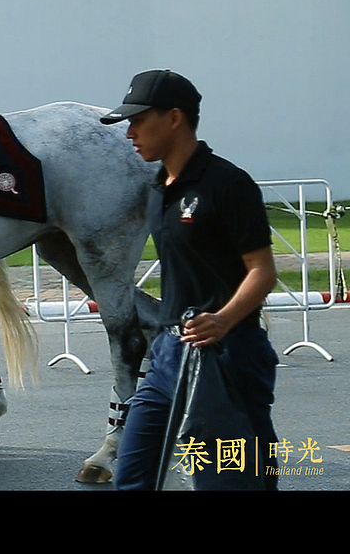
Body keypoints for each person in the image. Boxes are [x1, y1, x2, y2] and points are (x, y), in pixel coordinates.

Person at [101, 69, 280, 490]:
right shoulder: (159, 186)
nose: (129, 132)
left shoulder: (227, 184)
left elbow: (263, 271)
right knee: (132, 473)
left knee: (237, 480)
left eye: (138, 120)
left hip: (228, 352)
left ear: (175, 118)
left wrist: (224, 319)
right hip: (168, 350)